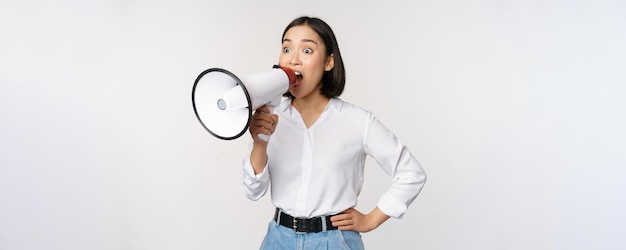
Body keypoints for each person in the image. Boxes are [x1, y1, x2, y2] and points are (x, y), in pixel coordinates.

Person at [240, 16, 427, 250]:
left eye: (307, 50)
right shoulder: (270, 115)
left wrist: (371, 219)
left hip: (334, 242)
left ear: (329, 62)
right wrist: (260, 143)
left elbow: (411, 173)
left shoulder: (357, 121)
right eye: (286, 48)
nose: (294, 59)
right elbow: (252, 191)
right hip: (278, 240)